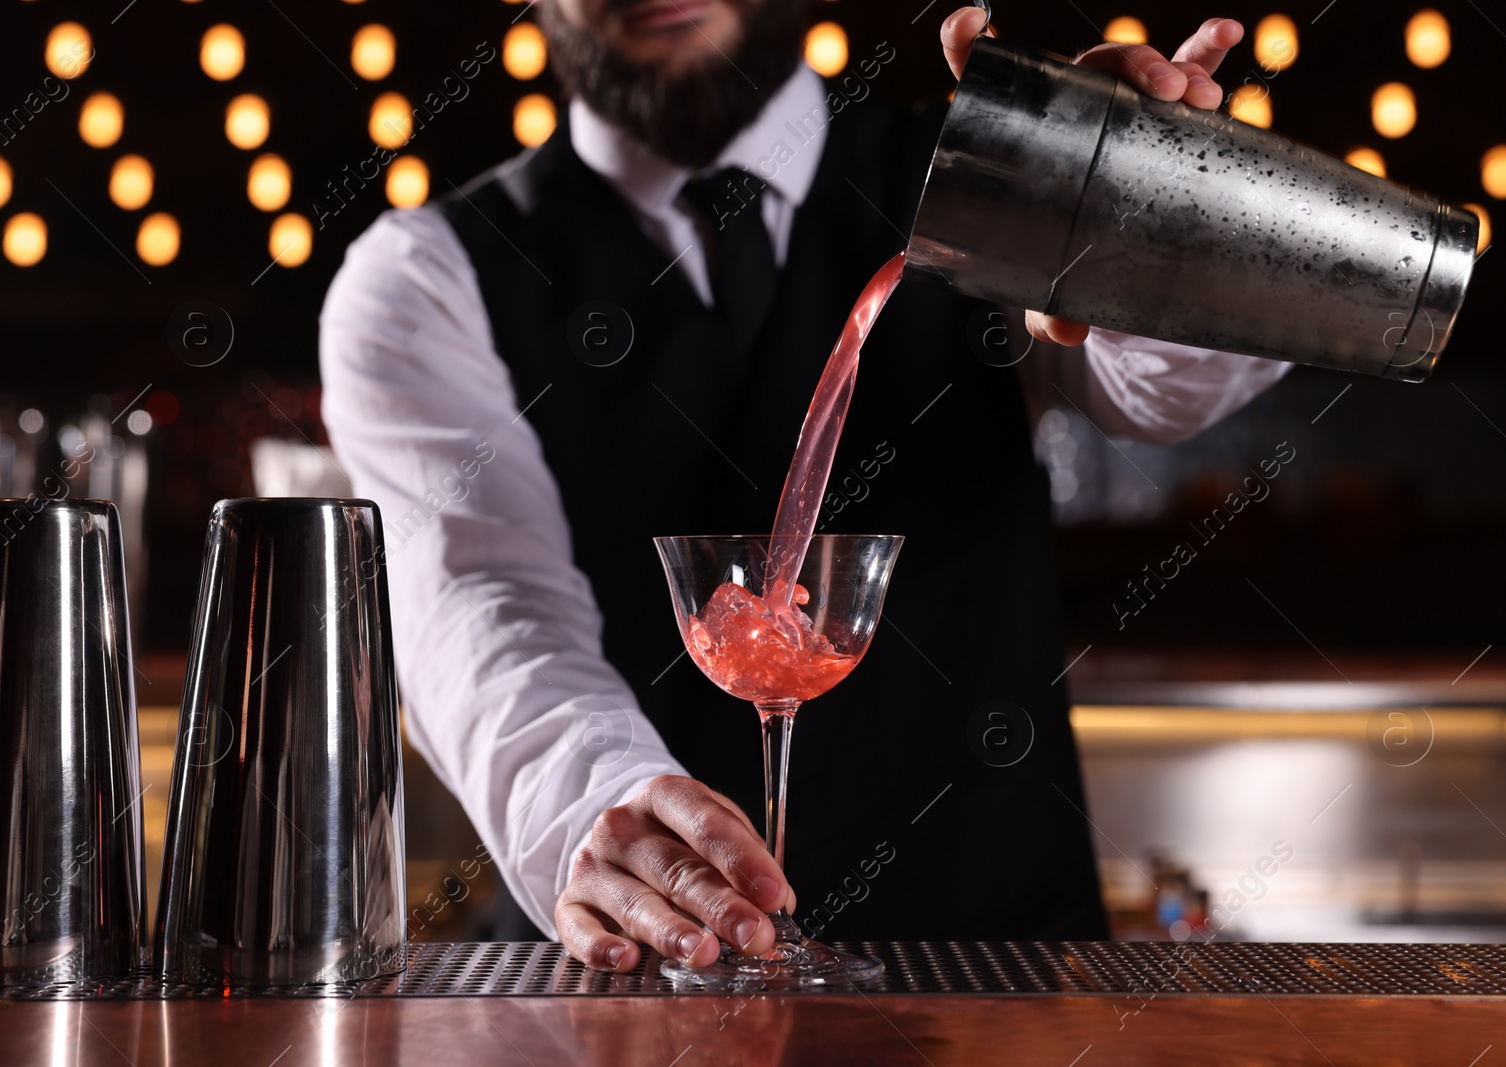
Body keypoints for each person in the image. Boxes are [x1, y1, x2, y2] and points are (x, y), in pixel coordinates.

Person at [320, 2, 1288, 971]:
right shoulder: (423, 277)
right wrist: (596, 803)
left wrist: (1137, 209)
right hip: (633, 988)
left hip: (993, 981)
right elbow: (484, 602)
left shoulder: (987, 182)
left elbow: (1173, 389)